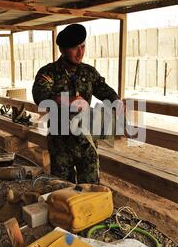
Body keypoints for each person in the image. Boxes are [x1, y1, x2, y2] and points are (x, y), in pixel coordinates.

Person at [32, 24, 124, 184]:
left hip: (85, 141)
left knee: (90, 188)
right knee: (62, 189)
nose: (80, 52)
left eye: (83, 47)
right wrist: (65, 100)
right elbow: (40, 96)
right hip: (60, 143)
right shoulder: (48, 72)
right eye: (75, 48)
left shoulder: (88, 72)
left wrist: (116, 101)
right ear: (62, 50)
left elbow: (105, 91)